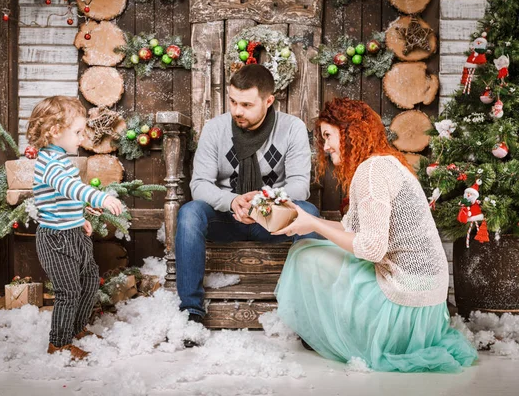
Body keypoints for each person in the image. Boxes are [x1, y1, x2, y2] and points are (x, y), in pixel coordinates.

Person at [273, 98, 478, 372]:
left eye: (328, 135)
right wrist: (308, 221)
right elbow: (350, 230)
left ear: (350, 132)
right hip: (426, 307)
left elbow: (370, 249)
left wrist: (314, 224)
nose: (325, 146)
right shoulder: (383, 164)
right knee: (313, 245)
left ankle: (332, 334)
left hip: (405, 304)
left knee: (305, 255)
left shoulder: (372, 171)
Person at [175, 64, 322, 346]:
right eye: (232, 101)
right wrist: (232, 202)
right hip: (226, 217)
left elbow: (300, 185)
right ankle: (191, 312)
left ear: (269, 101)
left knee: (310, 214)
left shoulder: (292, 128)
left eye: (246, 104)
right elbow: (200, 185)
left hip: (271, 218)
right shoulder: (215, 129)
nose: (237, 110)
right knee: (190, 213)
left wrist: (260, 203)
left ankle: (307, 316)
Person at [27, 96, 123, 360]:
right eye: (78, 132)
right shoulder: (50, 163)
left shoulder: (61, 160)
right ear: (56, 131)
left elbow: (62, 199)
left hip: (73, 233)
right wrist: (100, 197)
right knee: (68, 291)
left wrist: (79, 218)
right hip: (56, 239)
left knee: (90, 279)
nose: (82, 139)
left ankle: (77, 328)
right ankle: (58, 343)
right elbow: (71, 188)